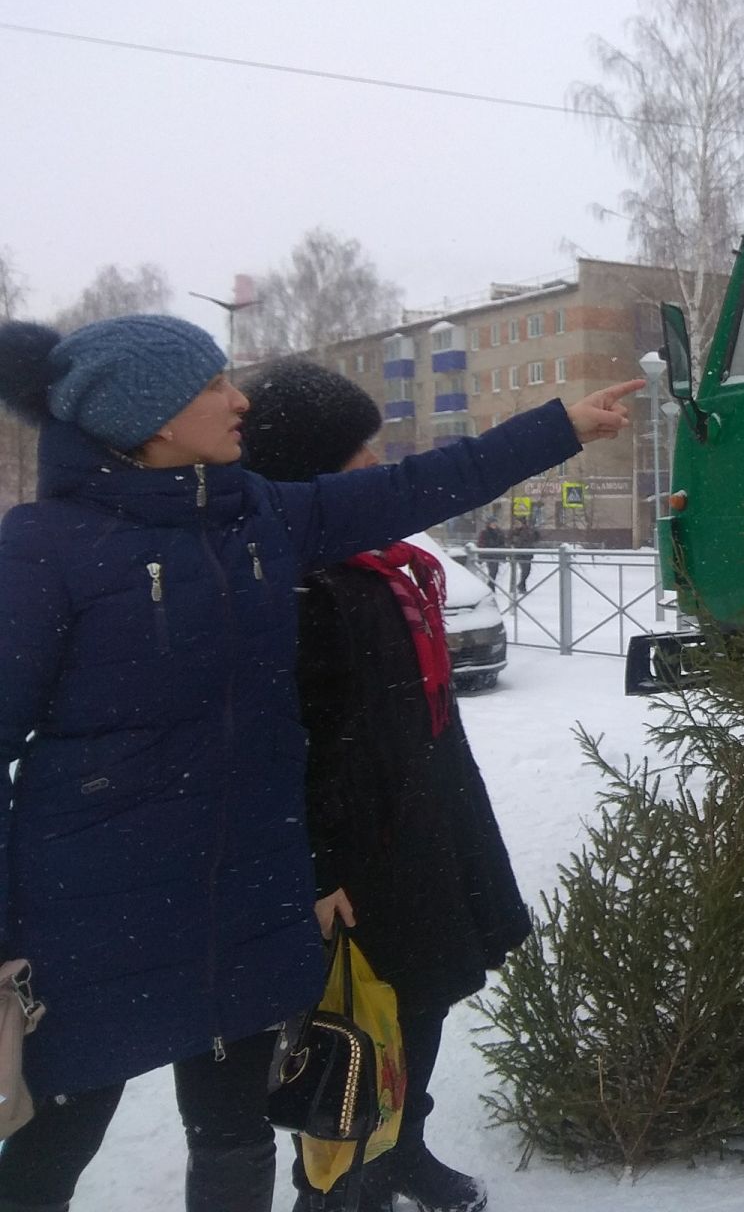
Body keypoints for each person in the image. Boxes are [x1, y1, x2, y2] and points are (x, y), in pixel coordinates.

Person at [0, 314, 639, 1212]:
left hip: (242, 902)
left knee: (230, 1140)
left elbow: (423, 485)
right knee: (52, 1146)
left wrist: (560, 426)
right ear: (149, 418)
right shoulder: (43, 549)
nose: (240, 400)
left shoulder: (256, 517)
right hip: (92, 914)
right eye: (215, 385)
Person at [240, 359, 527, 1212]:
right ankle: (335, 1181)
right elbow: (286, 746)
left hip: (422, 817)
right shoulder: (296, 583)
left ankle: (401, 1147)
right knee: (358, 1018)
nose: (376, 462)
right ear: (311, 469)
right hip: (357, 847)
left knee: (422, 997)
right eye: (356, 450)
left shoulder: (384, 564)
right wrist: (318, 869)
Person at [506, 517, 536, 595]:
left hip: (526, 553)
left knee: (527, 571)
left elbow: (532, 539)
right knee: (519, 570)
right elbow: (508, 541)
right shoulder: (513, 531)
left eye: (518, 523)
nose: (517, 524)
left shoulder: (527, 531)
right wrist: (512, 545)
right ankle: (517, 588)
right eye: (516, 523)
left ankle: (521, 585)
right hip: (517, 554)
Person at [477, 516, 505, 589]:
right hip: (488, 555)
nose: (494, 524)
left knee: (494, 571)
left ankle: (490, 586)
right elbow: (481, 543)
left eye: (495, 523)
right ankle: (490, 587)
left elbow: (503, 542)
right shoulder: (484, 532)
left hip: (496, 554)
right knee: (491, 571)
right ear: (489, 524)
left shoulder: (499, 532)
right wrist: (487, 547)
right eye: (493, 523)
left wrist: (501, 548)